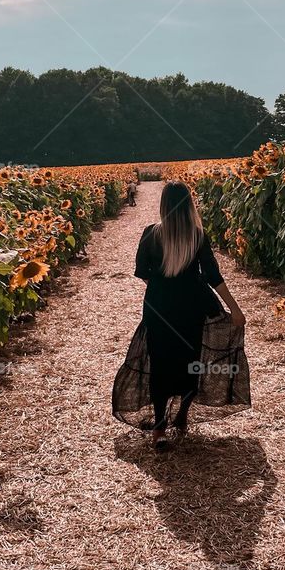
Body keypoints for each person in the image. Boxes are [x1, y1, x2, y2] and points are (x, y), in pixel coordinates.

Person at [112, 181, 250, 450]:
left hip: (159, 307)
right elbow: (213, 276)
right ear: (189, 205)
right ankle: (182, 417)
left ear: (164, 206)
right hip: (192, 306)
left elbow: (142, 272)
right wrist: (235, 308)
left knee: (160, 364)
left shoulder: (151, 234)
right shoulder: (197, 235)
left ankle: (160, 428)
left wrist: (163, 286)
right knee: (191, 362)